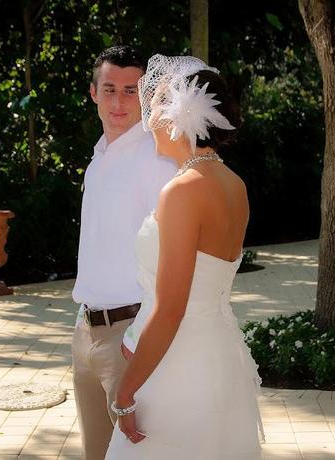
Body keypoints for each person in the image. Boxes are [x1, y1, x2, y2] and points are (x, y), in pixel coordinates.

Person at [105, 54, 264, 460]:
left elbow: (172, 309)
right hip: (220, 358)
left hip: (177, 368)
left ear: (182, 115)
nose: (148, 114)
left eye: (156, 103)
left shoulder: (182, 191)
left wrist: (125, 392)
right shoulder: (234, 184)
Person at [71, 47, 177, 460]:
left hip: (130, 334)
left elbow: (172, 256)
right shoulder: (96, 160)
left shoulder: (157, 159)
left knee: (141, 454)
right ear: (94, 93)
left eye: (130, 91)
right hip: (85, 331)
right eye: (110, 89)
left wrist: (143, 340)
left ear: (146, 95)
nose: (119, 102)